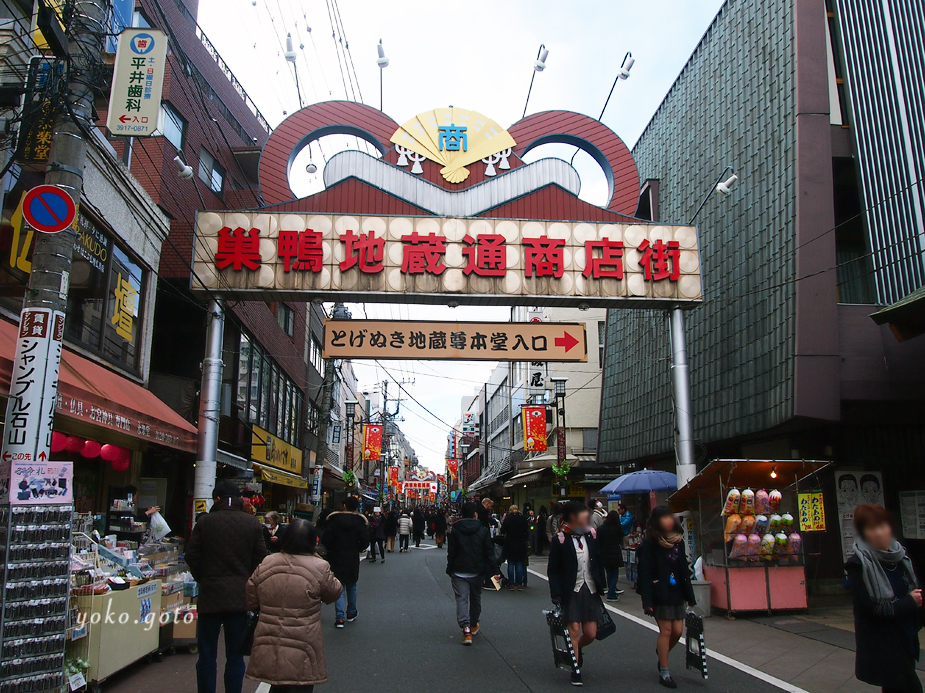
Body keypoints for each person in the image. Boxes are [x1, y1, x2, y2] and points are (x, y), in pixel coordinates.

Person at [186, 481, 267, 693]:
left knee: (206, 655)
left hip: (210, 596)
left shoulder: (205, 523)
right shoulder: (251, 524)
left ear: (218, 499)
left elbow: (191, 555)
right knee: (235, 655)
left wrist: (202, 577)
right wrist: (249, 581)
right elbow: (261, 560)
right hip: (240, 598)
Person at [246, 519, 342, 693]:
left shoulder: (268, 562)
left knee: (275, 684)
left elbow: (251, 597)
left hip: (270, 637)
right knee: (302, 684)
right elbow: (334, 592)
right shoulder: (319, 566)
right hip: (304, 640)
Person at [847, 504, 923, 693]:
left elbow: (914, 589)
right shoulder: (858, 565)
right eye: (872, 529)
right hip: (883, 645)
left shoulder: (901, 555)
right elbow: (875, 608)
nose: (880, 533)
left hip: (906, 639)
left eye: (883, 526)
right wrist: (910, 602)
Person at [547, 500, 606, 687]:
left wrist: (601, 582)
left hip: (590, 589)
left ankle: (577, 649)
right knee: (573, 630)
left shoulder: (591, 536)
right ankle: (575, 668)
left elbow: (598, 561)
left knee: (590, 633)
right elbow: (553, 570)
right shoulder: (560, 540)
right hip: (570, 590)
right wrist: (556, 595)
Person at [637, 506, 696, 689]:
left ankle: (661, 653)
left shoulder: (678, 541)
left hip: (677, 591)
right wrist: (647, 600)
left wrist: (691, 597)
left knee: (678, 631)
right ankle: (665, 671)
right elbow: (644, 573)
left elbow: (683, 570)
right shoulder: (649, 544)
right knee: (667, 630)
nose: (669, 521)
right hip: (659, 591)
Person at [447, 502, 494, 646]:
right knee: (475, 597)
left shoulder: (455, 529)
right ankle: (473, 624)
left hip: (459, 569)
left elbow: (452, 552)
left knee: (462, 598)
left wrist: (450, 567)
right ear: (475, 514)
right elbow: (488, 551)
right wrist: (493, 570)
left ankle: (466, 628)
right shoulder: (482, 529)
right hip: (477, 569)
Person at [320, 496, 369, 628]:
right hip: (352, 557)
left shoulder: (334, 520)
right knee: (352, 585)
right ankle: (351, 613)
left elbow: (326, 539)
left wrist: (331, 548)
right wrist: (357, 548)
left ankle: (339, 618)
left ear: (345, 506)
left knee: (339, 586)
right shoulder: (359, 521)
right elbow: (365, 540)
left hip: (336, 556)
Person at [597, 510, 625, 601]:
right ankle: (611, 593)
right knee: (615, 574)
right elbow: (621, 540)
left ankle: (611, 590)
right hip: (615, 552)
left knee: (609, 573)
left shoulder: (601, 528)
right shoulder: (617, 528)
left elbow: (598, 541)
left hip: (604, 552)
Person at [501, 504, 530, 590]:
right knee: (519, 564)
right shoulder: (522, 519)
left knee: (511, 563)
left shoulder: (508, 519)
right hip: (521, 543)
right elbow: (527, 531)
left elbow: (503, 530)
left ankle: (511, 584)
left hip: (510, 543)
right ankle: (519, 584)